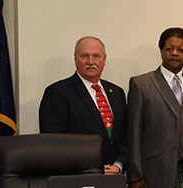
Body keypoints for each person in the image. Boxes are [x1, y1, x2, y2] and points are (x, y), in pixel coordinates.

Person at [126, 28, 183, 188]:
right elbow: (133, 133)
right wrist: (134, 176)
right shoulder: (141, 84)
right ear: (161, 51)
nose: (175, 53)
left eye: (181, 50)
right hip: (152, 176)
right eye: (169, 49)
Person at [39, 36, 127, 173]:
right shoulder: (57, 92)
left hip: (114, 178)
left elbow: (124, 136)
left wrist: (118, 165)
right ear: (75, 59)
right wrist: (92, 168)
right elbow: (54, 143)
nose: (91, 62)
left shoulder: (117, 93)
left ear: (104, 59)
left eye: (96, 56)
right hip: (76, 179)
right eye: (84, 56)